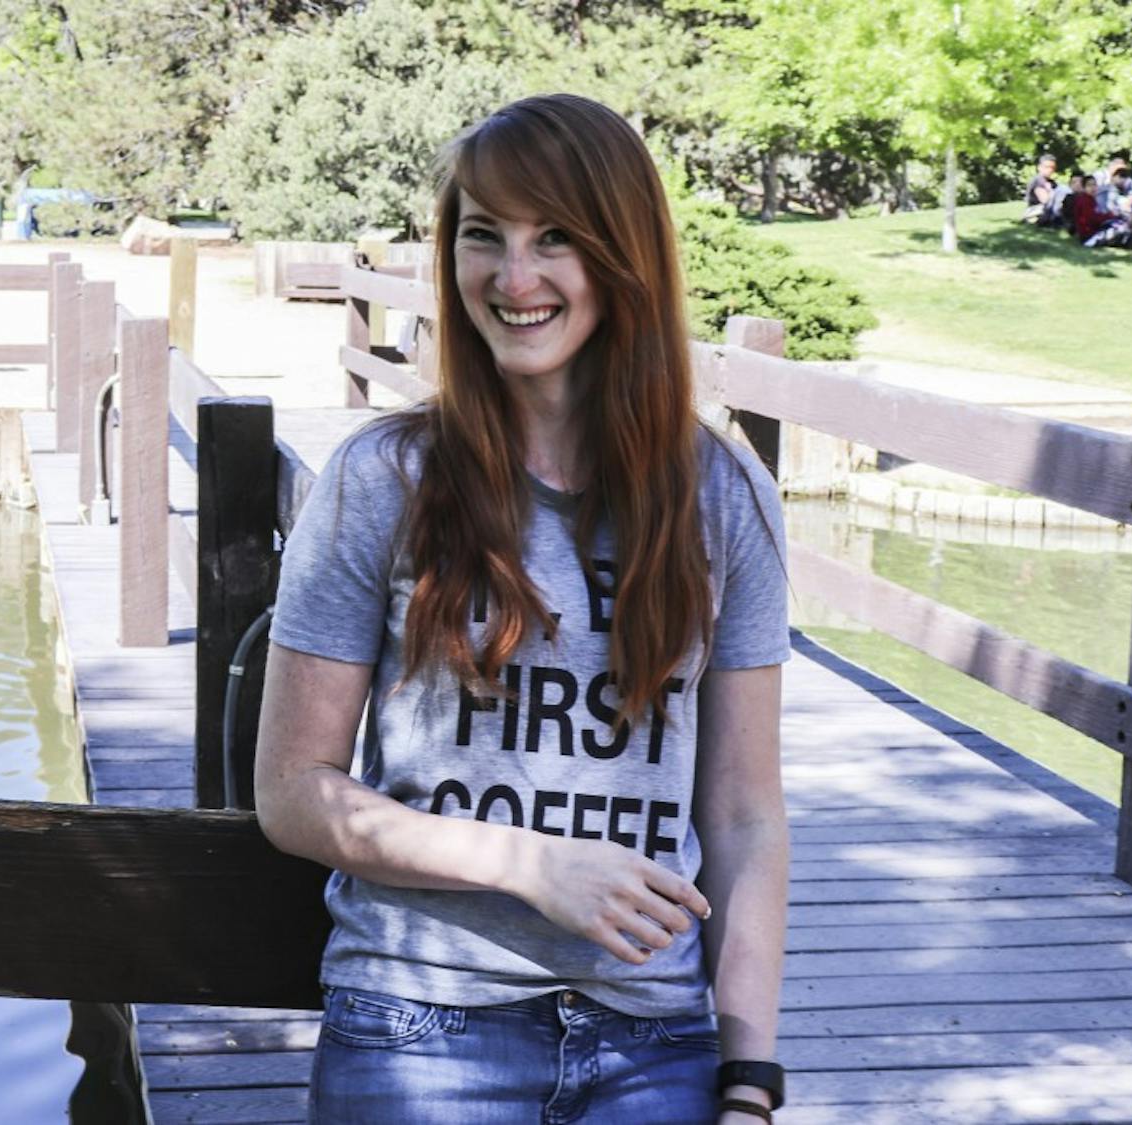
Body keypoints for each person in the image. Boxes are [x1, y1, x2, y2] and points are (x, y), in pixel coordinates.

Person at [256, 93, 789, 1125]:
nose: (514, 278)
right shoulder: (383, 479)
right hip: (420, 1025)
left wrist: (750, 1076)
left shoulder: (724, 497)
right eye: (483, 236)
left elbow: (744, 818)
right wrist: (526, 864)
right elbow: (291, 791)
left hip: (659, 1040)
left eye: (555, 240)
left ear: (623, 255)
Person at [1022, 153, 1059, 224]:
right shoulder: (1038, 181)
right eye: (1047, 167)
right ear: (1039, 167)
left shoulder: (1052, 182)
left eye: (1052, 167)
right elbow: (1045, 201)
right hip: (1036, 211)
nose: (1050, 170)